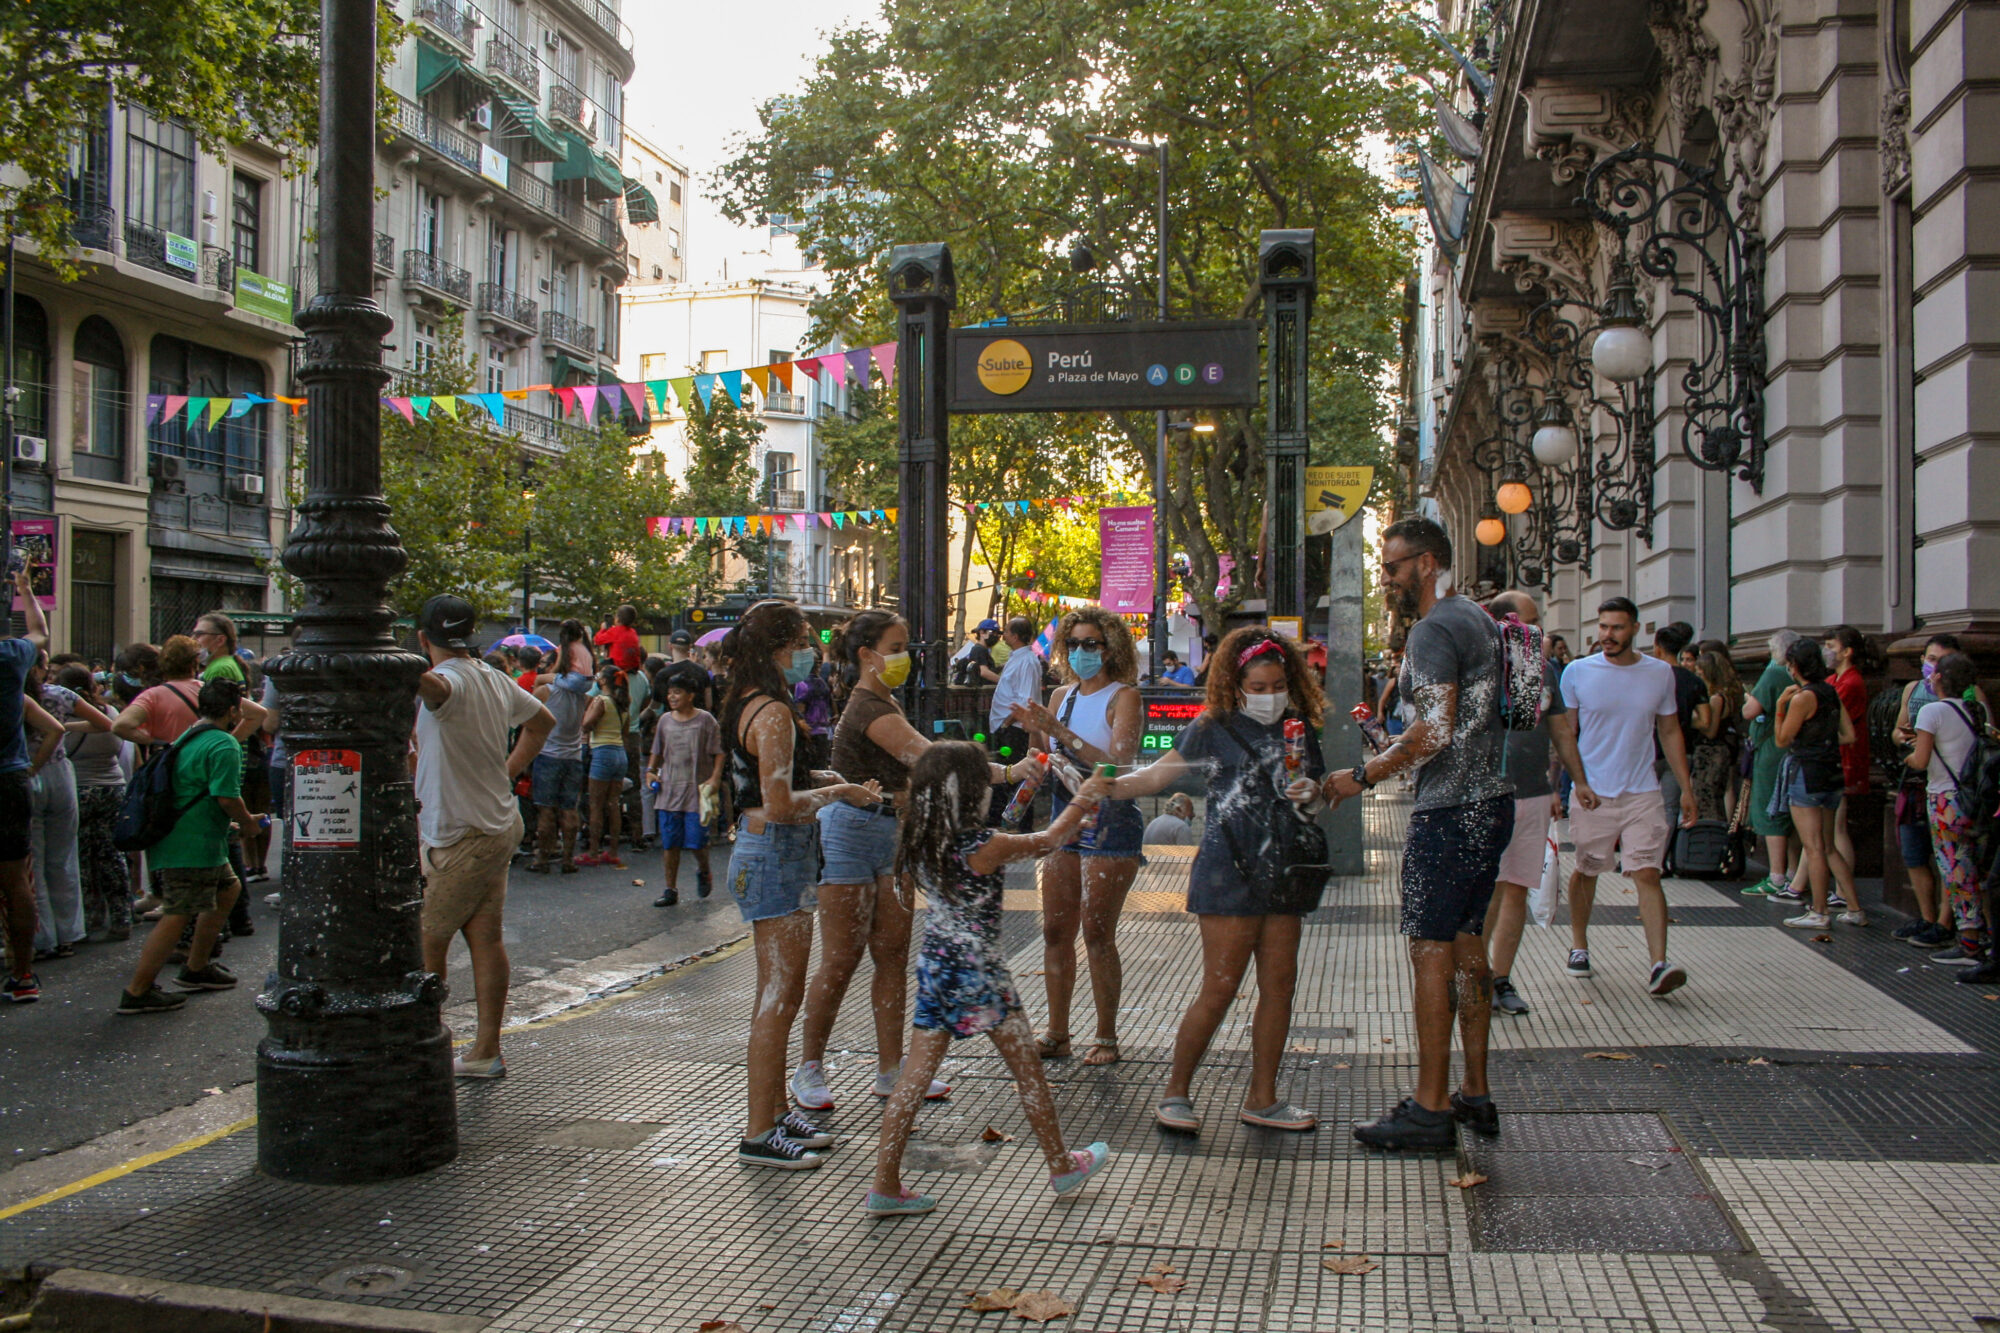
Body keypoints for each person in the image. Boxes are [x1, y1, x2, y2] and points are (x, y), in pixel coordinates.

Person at [794, 611, 1040, 1109]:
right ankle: (809, 1067)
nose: (907, 655)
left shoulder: (883, 700)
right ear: (867, 655)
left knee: (891, 958)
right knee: (840, 960)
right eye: (898, 645)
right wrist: (1010, 772)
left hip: (894, 833)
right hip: (852, 834)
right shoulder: (868, 708)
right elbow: (933, 761)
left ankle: (892, 1070)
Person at [1323, 518, 1512, 1150]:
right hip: (1490, 801)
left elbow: (1433, 730)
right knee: (1466, 945)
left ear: (1427, 563)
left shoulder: (1434, 629)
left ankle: (1432, 1108)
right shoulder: (1480, 618)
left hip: (1452, 809)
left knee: (1430, 949)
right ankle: (1474, 1093)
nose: (1387, 579)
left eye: (1394, 566)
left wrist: (1360, 775)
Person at [865, 743, 1114, 1215]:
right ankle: (1062, 1165)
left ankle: (885, 1184)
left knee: (913, 1080)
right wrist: (1086, 796)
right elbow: (1048, 840)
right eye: (984, 788)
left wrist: (1025, 794)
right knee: (1028, 1072)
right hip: (982, 975)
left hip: (938, 969)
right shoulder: (985, 847)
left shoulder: (924, 840)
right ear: (967, 794)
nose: (989, 796)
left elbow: (1006, 836)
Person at [1107, 628, 1331, 1133]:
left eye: (1278, 684)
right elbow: (1158, 776)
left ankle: (1264, 1098)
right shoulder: (1212, 726)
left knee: (1280, 985)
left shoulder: (1298, 729)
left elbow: (1318, 800)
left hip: (1285, 872)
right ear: (1236, 683)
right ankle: (1176, 1092)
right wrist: (1106, 787)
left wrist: (1312, 793)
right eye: (1258, 684)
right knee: (1221, 985)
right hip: (1227, 869)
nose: (1269, 694)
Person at [719, 600, 880, 1169]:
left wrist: (827, 778)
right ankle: (760, 1130)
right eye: (806, 641)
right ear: (780, 649)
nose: (813, 651)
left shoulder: (747, 703)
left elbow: (772, 780)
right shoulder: (772, 713)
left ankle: (775, 1113)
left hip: (767, 850)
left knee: (779, 993)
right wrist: (842, 794)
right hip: (776, 851)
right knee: (778, 997)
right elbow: (782, 803)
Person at [412, 595, 555, 1076]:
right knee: (484, 938)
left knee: (428, 941)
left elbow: (433, 687)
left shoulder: (449, 683)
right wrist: (507, 773)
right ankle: (484, 1049)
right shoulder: (494, 677)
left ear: (422, 638)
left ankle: (426, 1045)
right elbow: (542, 722)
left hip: (460, 832)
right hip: (495, 822)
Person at [1009, 607, 1148, 1066]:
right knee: (1054, 930)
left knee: (1097, 932)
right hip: (1064, 817)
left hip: (1111, 821)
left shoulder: (1123, 696)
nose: (1083, 652)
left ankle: (1106, 1036)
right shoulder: (1060, 696)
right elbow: (1046, 756)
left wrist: (1059, 734)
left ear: (1111, 648)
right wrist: (1034, 745)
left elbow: (1119, 765)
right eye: (1074, 644)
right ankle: (1056, 1032)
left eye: (1093, 644)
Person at [1559, 597, 1698, 995]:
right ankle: (1579, 946)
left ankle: (1658, 963)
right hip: (1593, 792)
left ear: (1635, 629)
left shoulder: (1659, 674)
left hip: (1643, 791)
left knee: (1648, 872)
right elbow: (1566, 734)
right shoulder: (1577, 672)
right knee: (1587, 869)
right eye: (1603, 627)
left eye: (1617, 628)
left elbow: (1669, 732)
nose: (1608, 635)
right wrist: (1571, 783)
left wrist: (1686, 788)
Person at [115, 679, 256, 1014]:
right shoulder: (224, 744)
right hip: (192, 843)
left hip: (188, 837)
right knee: (178, 912)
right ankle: (138, 990)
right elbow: (226, 796)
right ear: (234, 710)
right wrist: (248, 822)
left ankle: (197, 966)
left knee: (228, 887)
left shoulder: (190, 735)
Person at [1479, 591, 1575, 1019]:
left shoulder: (1543, 668)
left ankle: (1501, 977)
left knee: (1516, 886)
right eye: (1531, 621)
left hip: (1533, 793)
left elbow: (1560, 731)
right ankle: (1475, 976)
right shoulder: (1478, 664)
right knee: (1484, 893)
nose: (1539, 630)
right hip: (1484, 793)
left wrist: (1575, 782)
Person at [1891, 635, 1989, 946]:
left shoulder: (1932, 712)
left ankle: (1969, 940)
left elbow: (1919, 760)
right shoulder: (1974, 709)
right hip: (1972, 796)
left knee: (1954, 870)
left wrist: (1909, 753)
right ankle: (1973, 935)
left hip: (1944, 798)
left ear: (1942, 679)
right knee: (1969, 867)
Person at [1773, 637, 1865, 930]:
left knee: (1812, 846)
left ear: (1795, 666)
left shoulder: (1802, 698)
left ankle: (1819, 910)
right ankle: (1854, 907)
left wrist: (1779, 708)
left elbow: (1782, 739)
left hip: (1807, 773)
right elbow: (1849, 735)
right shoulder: (1830, 691)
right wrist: (1824, 741)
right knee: (1827, 845)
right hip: (1832, 771)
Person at [0, 570, 61, 1003]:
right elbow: (39, 631)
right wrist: (25, 590)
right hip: (8, 778)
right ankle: (23, 974)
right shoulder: (9, 657)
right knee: (16, 880)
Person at [27, 648, 112, 959]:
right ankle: (68, 933)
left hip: (26, 772)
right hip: (61, 771)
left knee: (33, 861)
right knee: (63, 857)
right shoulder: (59, 694)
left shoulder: (13, 696)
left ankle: (42, 936)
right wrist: (64, 725)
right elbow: (104, 723)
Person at [59, 667, 134, 942]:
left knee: (84, 856)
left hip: (80, 788)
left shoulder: (63, 718)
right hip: (113, 787)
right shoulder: (111, 714)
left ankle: (92, 915)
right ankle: (121, 915)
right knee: (112, 855)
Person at [645, 670, 723, 907]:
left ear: (691, 695)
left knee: (697, 842)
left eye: (677, 692)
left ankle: (703, 869)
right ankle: (670, 889)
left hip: (696, 792)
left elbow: (719, 752)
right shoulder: (665, 721)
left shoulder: (706, 720)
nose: (672, 697)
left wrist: (715, 779)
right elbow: (657, 751)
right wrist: (651, 771)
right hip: (669, 790)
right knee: (670, 843)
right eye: (669, 693)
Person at [528, 620, 595, 873]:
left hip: (548, 755)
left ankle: (542, 858)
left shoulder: (546, 691)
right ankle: (568, 859)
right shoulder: (582, 695)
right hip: (573, 755)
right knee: (570, 808)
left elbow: (528, 719)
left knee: (546, 810)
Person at [1739, 631, 1800, 898]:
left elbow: (1751, 711)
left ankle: (1776, 875)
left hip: (1772, 750)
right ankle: (1793, 873)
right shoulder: (1799, 675)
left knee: (1771, 809)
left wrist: (1746, 702)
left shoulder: (1774, 672)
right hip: (1794, 752)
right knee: (1792, 814)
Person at [1823, 625, 1873, 894]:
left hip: (1844, 760)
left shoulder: (1852, 683)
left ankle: (1844, 891)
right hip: (1832, 759)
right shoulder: (1834, 680)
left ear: (1847, 651)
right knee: (1825, 828)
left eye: (1831, 646)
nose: (1827, 652)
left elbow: (1830, 716)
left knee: (1837, 825)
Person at [1652, 622, 1707, 827]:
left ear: (1658, 647)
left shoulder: (1652, 677)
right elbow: (1705, 720)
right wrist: (1682, 719)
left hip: (1651, 749)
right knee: (1670, 808)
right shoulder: (1693, 680)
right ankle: (1661, 855)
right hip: (1683, 749)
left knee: (1643, 805)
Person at [577, 664, 629, 868]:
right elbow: (625, 732)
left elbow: (586, 725)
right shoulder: (623, 703)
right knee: (614, 804)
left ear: (604, 681)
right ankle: (613, 851)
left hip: (602, 752)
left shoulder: (601, 701)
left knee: (596, 805)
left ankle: (593, 851)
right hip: (619, 753)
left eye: (599, 676)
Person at [1689, 649, 1745, 823]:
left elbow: (1710, 730)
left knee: (1709, 796)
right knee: (1722, 791)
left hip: (1711, 752)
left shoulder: (1716, 698)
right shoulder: (1727, 695)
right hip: (1724, 748)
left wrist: (1692, 719)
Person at [987, 616, 1044, 765]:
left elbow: (1026, 700)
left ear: (1015, 636)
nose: (1003, 634)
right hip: (1006, 727)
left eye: (1006, 631)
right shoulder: (1016, 657)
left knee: (1012, 771)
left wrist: (1007, 724)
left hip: (1015, 729)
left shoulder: (1027, 661)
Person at [192, 611, 245, 685]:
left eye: (199, 634)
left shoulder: (220, 668)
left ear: (220, 640)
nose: (193, 639)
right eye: (193, 634)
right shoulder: (221, 665)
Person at [594, 604, 645, 672]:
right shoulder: (633, 632)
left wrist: (602, 629)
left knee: (600, 666)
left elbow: (597, 640)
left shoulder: (614, 631)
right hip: (633, 667)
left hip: (618, 667)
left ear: (617, 619)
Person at [951, 619, 1001, 687]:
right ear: (982, 633)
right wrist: (1004, 682)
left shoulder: (983, 650)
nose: (996, 636)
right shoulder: (979, 650)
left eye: (998, 634)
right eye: (993, 632)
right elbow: (984, 672)